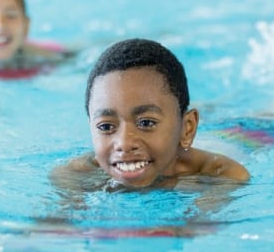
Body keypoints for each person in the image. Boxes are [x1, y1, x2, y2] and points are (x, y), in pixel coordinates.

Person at [50, 38, 249, 192]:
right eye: (106, 127)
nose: (125, 143)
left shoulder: (220, 175)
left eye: (146, 123)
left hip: (240, 138)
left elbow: (195, 227)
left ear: (187, 128)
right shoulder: (76, 176)